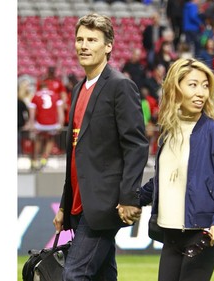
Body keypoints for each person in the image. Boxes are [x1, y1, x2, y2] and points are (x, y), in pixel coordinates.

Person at [52, 13, 149, 281]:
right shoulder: (78, 89)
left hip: (104, 204)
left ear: (108, 46)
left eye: (92, 40)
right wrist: (64, 204)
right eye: (80, 39)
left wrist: (129, 197)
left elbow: (136, 145)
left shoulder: (120, 86)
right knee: (103, 276)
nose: (84, 45)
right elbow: (75, 155)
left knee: (75, 275)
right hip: (80, 204)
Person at [140, 58, 214, 281]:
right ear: (175, 89)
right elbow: (162, 180)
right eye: (193, 85)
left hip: (203, 235)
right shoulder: (167, 132)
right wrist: (131, 200)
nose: (201, 93)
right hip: (170, 235)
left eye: (205, 86)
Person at [28, 81, 65, 170]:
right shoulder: (55, 95)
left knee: (38, 139)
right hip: (52, 124)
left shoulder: (36, 96)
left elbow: (32, 112)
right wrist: (61, 123)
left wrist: (31, 124)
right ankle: (44, 158)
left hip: (40, 124)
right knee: (50, 140)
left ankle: (36, 159)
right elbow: (60, 111)